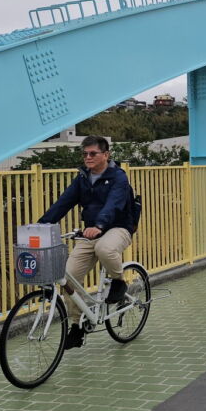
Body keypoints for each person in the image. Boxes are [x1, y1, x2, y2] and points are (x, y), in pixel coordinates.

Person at [38, 135, 138, 349]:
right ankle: (77, 326)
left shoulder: (118, 177)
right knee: (67, 277)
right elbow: (64, 202)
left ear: (106, 155)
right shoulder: (83, 178)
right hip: (90, 232)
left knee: (105, 248)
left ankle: (119, 281)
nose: (88, 157)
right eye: (85, 154)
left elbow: (114, 204)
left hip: (117, 227)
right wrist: (41, 225)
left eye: (93, 153)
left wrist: (100, 225)